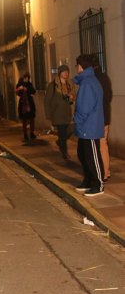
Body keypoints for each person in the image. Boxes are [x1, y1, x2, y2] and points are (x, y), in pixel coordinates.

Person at [73, 54, 105, 196]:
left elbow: (84, 107)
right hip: (86, 126)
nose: (75, 68)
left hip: (89, 126)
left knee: (92, 156)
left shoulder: (88, 83)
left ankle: (98, 184)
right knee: (83, 154)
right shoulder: (87, 81)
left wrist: (77, 120)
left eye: (77, 65)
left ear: (81, 66)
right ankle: (89, 180)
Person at [44, 64, 76, 159]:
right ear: (59, 73)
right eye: (64, 72)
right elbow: (47, 101)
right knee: (62, 133)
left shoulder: (70, 85)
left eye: (67, 72)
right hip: (57, 114)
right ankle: (64, 153)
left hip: (67, 113)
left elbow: (72, 99)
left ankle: (60, 142)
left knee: (70, 130)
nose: (66, 73)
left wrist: (71, 98)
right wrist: (49, 115)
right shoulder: (53, 85)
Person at [90, 54, 112, 182]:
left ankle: (102, 172)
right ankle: (106, 172)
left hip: (97, 117)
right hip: (106, 116)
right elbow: (109, 96)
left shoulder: (93, 79)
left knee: (99, 145)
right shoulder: (105, 77)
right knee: (104, 144)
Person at [16, 73, 36, 142]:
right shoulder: (19, 84)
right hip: (23, 103)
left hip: (30, 103)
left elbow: (33, 91)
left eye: (28, 78)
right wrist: (21, 89)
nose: (27, 79)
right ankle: (25, 134)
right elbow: (17, 93)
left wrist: (27, 89)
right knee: (24, 120)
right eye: (25, 78)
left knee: (31, 119)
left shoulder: (29, 84)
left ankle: (31, 133)